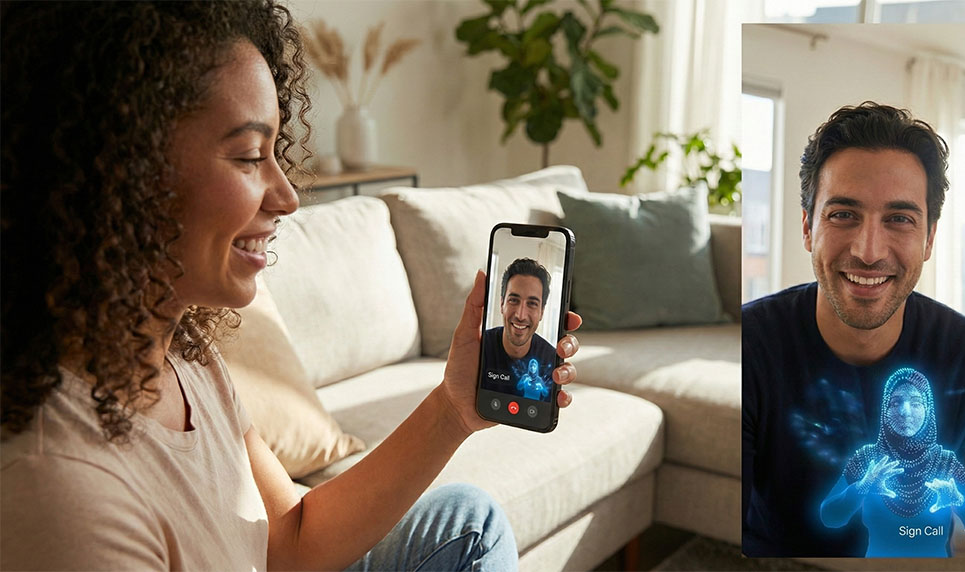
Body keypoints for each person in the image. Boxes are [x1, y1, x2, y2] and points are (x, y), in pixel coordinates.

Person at [0, 2, 582, 570]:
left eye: (275, 151)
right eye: (250, 156)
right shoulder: (64, 495)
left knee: (464, 522)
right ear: (120, 173)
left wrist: (455, 410)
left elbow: (289, 540)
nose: (288, 197)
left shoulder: (185, 359)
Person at [741, 102, 965, 557]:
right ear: (808, 227)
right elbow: (829, 516)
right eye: (843, 214)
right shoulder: (749, 346)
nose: (868, 251)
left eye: (900, 219)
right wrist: (861, 485)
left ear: (929, 239)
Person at [819, 368, 965, 556]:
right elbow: (829, 517)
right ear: (886, 409)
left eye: (916, 403)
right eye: (896, 402)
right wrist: (863, 486)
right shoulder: (867, 458)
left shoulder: (946, 462)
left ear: (928, 410)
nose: (905, 411)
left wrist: (958, 500)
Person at [481, 258, 561, 401]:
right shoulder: (478, 346)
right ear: (502, 304)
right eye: (513, 300)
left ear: (542, 312)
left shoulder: (551, 359)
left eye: (532, 303)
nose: (520, 315)